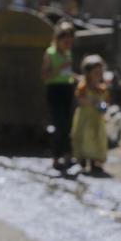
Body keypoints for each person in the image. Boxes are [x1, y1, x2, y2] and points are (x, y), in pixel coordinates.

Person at [41, 20, 77, 169]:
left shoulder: (68, 54)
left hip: (67, 89)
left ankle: (68, 155)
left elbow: (67, 74)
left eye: (70, 42)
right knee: (59, 124)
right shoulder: (50, 53)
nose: (68, 45)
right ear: (58, 39)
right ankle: (57, 156)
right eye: (65, 41)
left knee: (68, 124)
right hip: (55, 90)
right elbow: (45, 75)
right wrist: (60, 67)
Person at [71, 54, 110, 175]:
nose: (98, 75)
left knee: (97, 138)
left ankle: (95, 161)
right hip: (85, 117)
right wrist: (92, 102)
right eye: (96, 72)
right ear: (88, 73)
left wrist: (103, 106)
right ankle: (82, 159)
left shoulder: (102, 88)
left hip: (97, 118)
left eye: (100, 72)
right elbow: (80, 99)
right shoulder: (83, 87)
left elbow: (107, 100)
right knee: (84, 137)